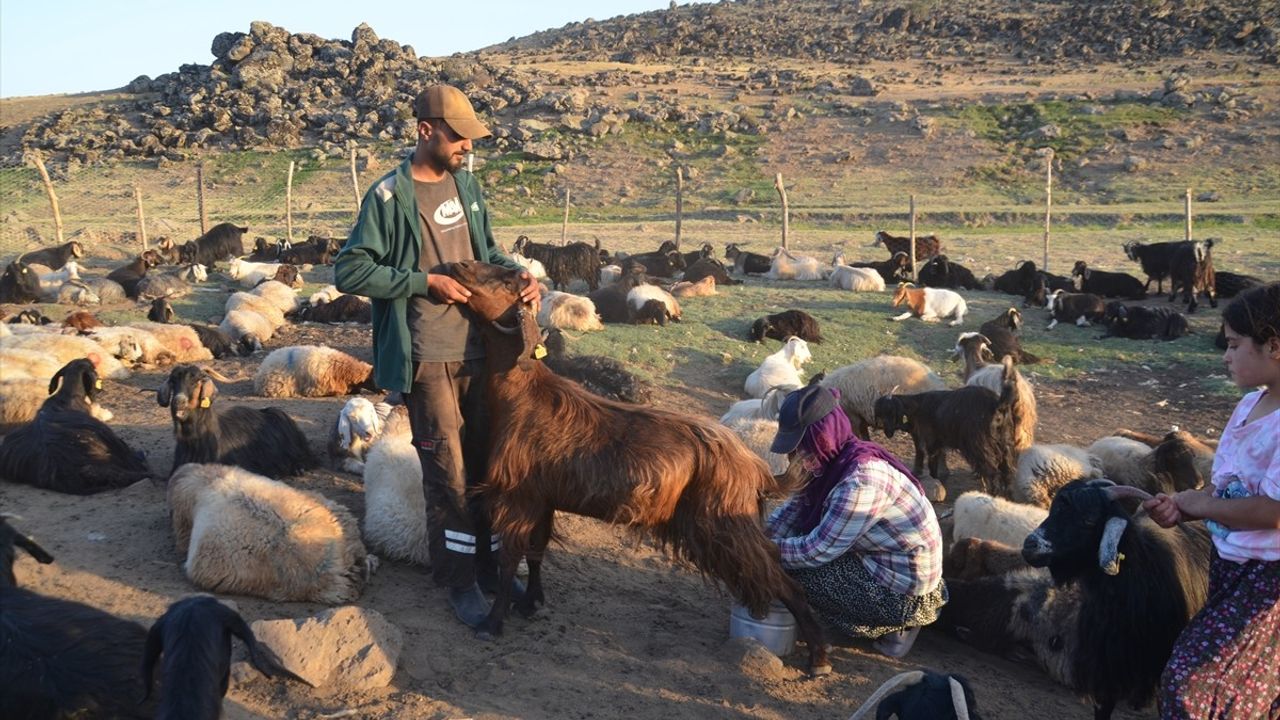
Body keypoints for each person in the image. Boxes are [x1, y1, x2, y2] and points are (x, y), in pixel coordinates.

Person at [334, 84, 539, 630]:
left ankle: (490, 565)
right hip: (426, 358)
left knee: (487, 464)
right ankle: (459, 580)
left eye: (471, 138)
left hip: (480, 351)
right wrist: (423, 282)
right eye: (459, 137)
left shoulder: (466, 185)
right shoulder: (387, 197)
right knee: (447, 475)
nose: (468, 146)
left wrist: (518, 276)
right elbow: (350, 269)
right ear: (426, 131)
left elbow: (485, 252)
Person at [1144, 282, 1280, 719]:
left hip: (1269, 580)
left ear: (1274, 346)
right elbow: (1224, 489)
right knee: (1244, 694)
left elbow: (1275, 512)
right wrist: (1183, 506)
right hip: (1229, 567)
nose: (1225, 356)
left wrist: (1201, 506)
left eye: (1235, 345)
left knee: (1192, 686)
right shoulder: (1248, 407)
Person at [767, 383, 947, 657]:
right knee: (785, 554)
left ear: (822, 436)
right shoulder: (833, 462)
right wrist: (760, 536)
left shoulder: (860, 482)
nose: (794, 456)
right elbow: (794, 509)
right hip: (878, 560)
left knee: (793, 574)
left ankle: (899, 627)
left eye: (801, 446)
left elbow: (817, 550)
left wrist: (764, 550)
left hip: (903, 594)